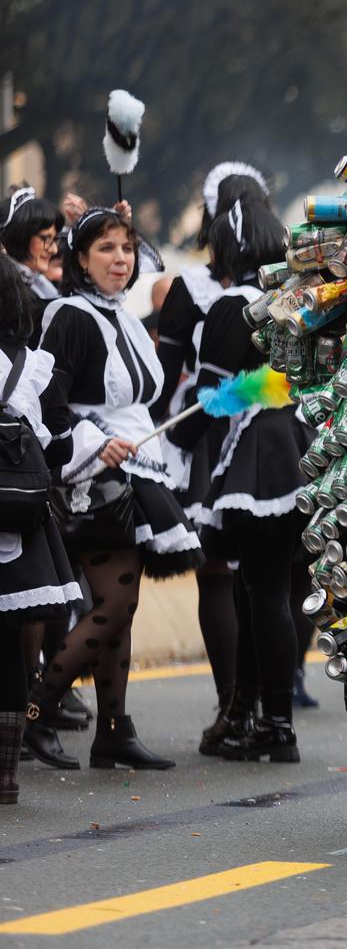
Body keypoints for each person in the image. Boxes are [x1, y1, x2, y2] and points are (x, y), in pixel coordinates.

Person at [25, 205, 203, 770]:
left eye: (126, 248)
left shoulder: (124, 317)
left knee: (120, 608)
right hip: (93, 473)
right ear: (79, 258)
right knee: (116, 602)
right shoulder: (69, 315)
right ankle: (35, 711)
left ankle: (113, 729)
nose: (120, 259)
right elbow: (47, 405)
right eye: (105, 248)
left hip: (137, 467)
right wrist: (94, 441)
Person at [170, 172, 312, 762]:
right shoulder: (299, 299)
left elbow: (213, 396)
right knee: (265, 589)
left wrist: (170, 442)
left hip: (258, 452)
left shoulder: (233, 304)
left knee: (265, 590)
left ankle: (273, 723)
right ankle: (255, 716)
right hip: (301, 447)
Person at [156, 162, 274, 753]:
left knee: (230, 576)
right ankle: (250, 705)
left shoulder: (235, 289)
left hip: (217, 433)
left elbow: (166, 377)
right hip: (217, 432)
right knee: (247, 578)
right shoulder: (276, 286)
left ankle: (241, 705)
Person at [0, 260, 85, 803]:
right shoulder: (33, 365)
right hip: (16, 519)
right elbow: (56, 451)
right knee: (8, 646)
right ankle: (5, 775)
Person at [2, 185, 64, 329]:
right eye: (46, 238)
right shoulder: (6, 291)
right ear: (22, 235)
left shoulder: (40, 284)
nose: (54, 249)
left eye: (55, 239)